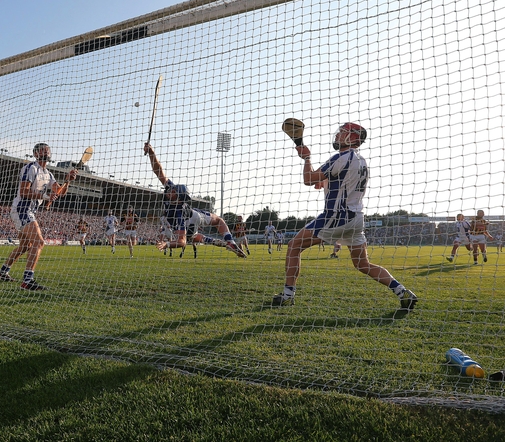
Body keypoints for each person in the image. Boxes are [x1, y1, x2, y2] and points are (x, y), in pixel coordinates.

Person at [271, 122, 416, 311]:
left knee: (293, 246)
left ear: (352, 137)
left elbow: (309, 180)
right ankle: (403, 292)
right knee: (363, 264)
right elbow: (338, 182)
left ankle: (288, 296)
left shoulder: (340, 157)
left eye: (342, 132)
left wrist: (306, 158)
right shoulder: (361, 160)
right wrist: (324, 182)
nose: (337, 135)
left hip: (336, 216)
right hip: (356, 219)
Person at [0, 143, 77, 290]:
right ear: (35, 153)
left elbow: (60, 192)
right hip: (22, 209)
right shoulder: (30, 168)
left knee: (25, 246)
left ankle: (2, 272)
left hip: (30, 211)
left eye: (47, 150)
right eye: (42, 150)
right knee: (39, 242)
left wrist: (68, 180)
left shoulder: (48, 174)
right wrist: (45, 196)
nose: (46, 152)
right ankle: (27, 280)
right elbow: (24, 191)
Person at [143, 142, 246, 258]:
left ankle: (229, 243)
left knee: (217, 221)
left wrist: (167, 244)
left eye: (174, 192)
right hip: (189, 217)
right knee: (197, 234)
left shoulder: (178, 214)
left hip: (192, 217)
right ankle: (226, 243)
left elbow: (182, 242)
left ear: (179, 199)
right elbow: (159, 171)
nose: (170, 191)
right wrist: (152, 153)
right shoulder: (171, 192)